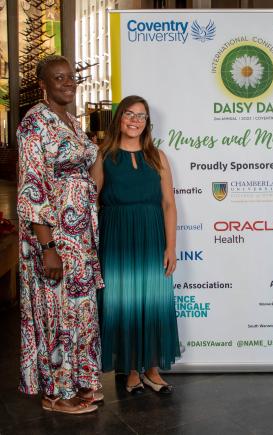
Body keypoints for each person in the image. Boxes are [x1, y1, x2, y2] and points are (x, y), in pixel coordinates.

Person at [17, 55, 104, 414]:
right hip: (52, 236)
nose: (68, 83)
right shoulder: (35, 122)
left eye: (71, 77)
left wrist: (88, 193)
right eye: (59, 77)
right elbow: (32, 187)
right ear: (43, 84)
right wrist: (48, 246)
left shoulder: (71, 120)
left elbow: (92, 160)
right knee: (55, 310)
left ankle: (81, 381)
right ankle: (56, 393)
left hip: (79, 236)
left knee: (79, 308)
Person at [93, 95, 180, 394]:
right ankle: (131, 370)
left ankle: (153, 370)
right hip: (116, 238)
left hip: (152, 236)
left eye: (141, 116)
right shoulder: (103, 155)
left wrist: (171, 247)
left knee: (153, 300)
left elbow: (168, 204)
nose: (134, 120)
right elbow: (91, 200)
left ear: (147, 123)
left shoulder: (158, 157)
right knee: (124, 302)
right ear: (119, 119)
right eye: (129, 114)